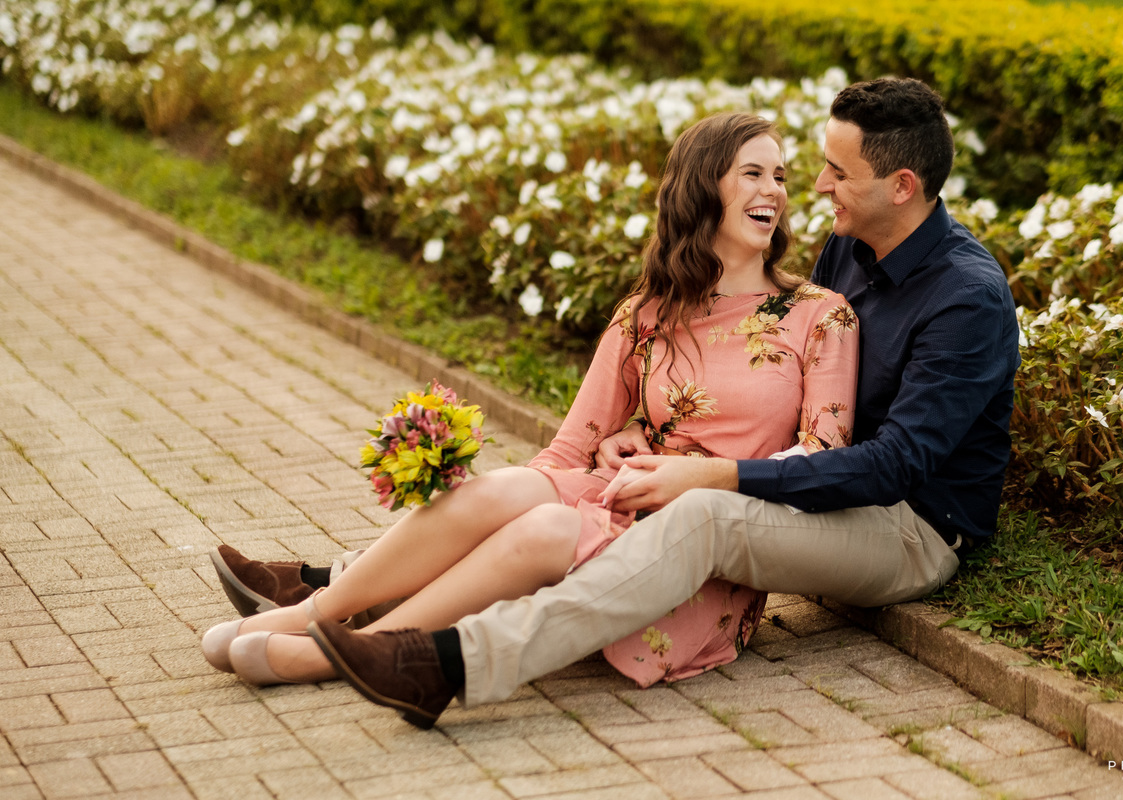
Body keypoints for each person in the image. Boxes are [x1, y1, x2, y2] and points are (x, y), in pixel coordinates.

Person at [295, 76, 1021, 729]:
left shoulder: (967, 297)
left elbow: (893, 469)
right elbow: (769, 367)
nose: (819, 186)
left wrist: (710, 474)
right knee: (566, 492)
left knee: (702, 511)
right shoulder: (853, 248)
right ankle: (345, 589)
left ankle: (448, 664)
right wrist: (647, 424)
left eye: (838, 171)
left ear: (901, 186)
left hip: (908, 529)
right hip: (819, 488)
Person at [200, 111, 860, 719]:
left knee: (547, 527)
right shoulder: (649, 314)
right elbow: (569, 451)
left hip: (698, 543)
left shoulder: (818, 315)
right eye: (752, 173)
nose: (774, 189)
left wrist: (697, 475)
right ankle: (312, 613)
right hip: (622, 498)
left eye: (780, 176)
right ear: (701, 187)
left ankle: (349, 647)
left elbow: (819, 459)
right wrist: (594, 461)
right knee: (516, 488)